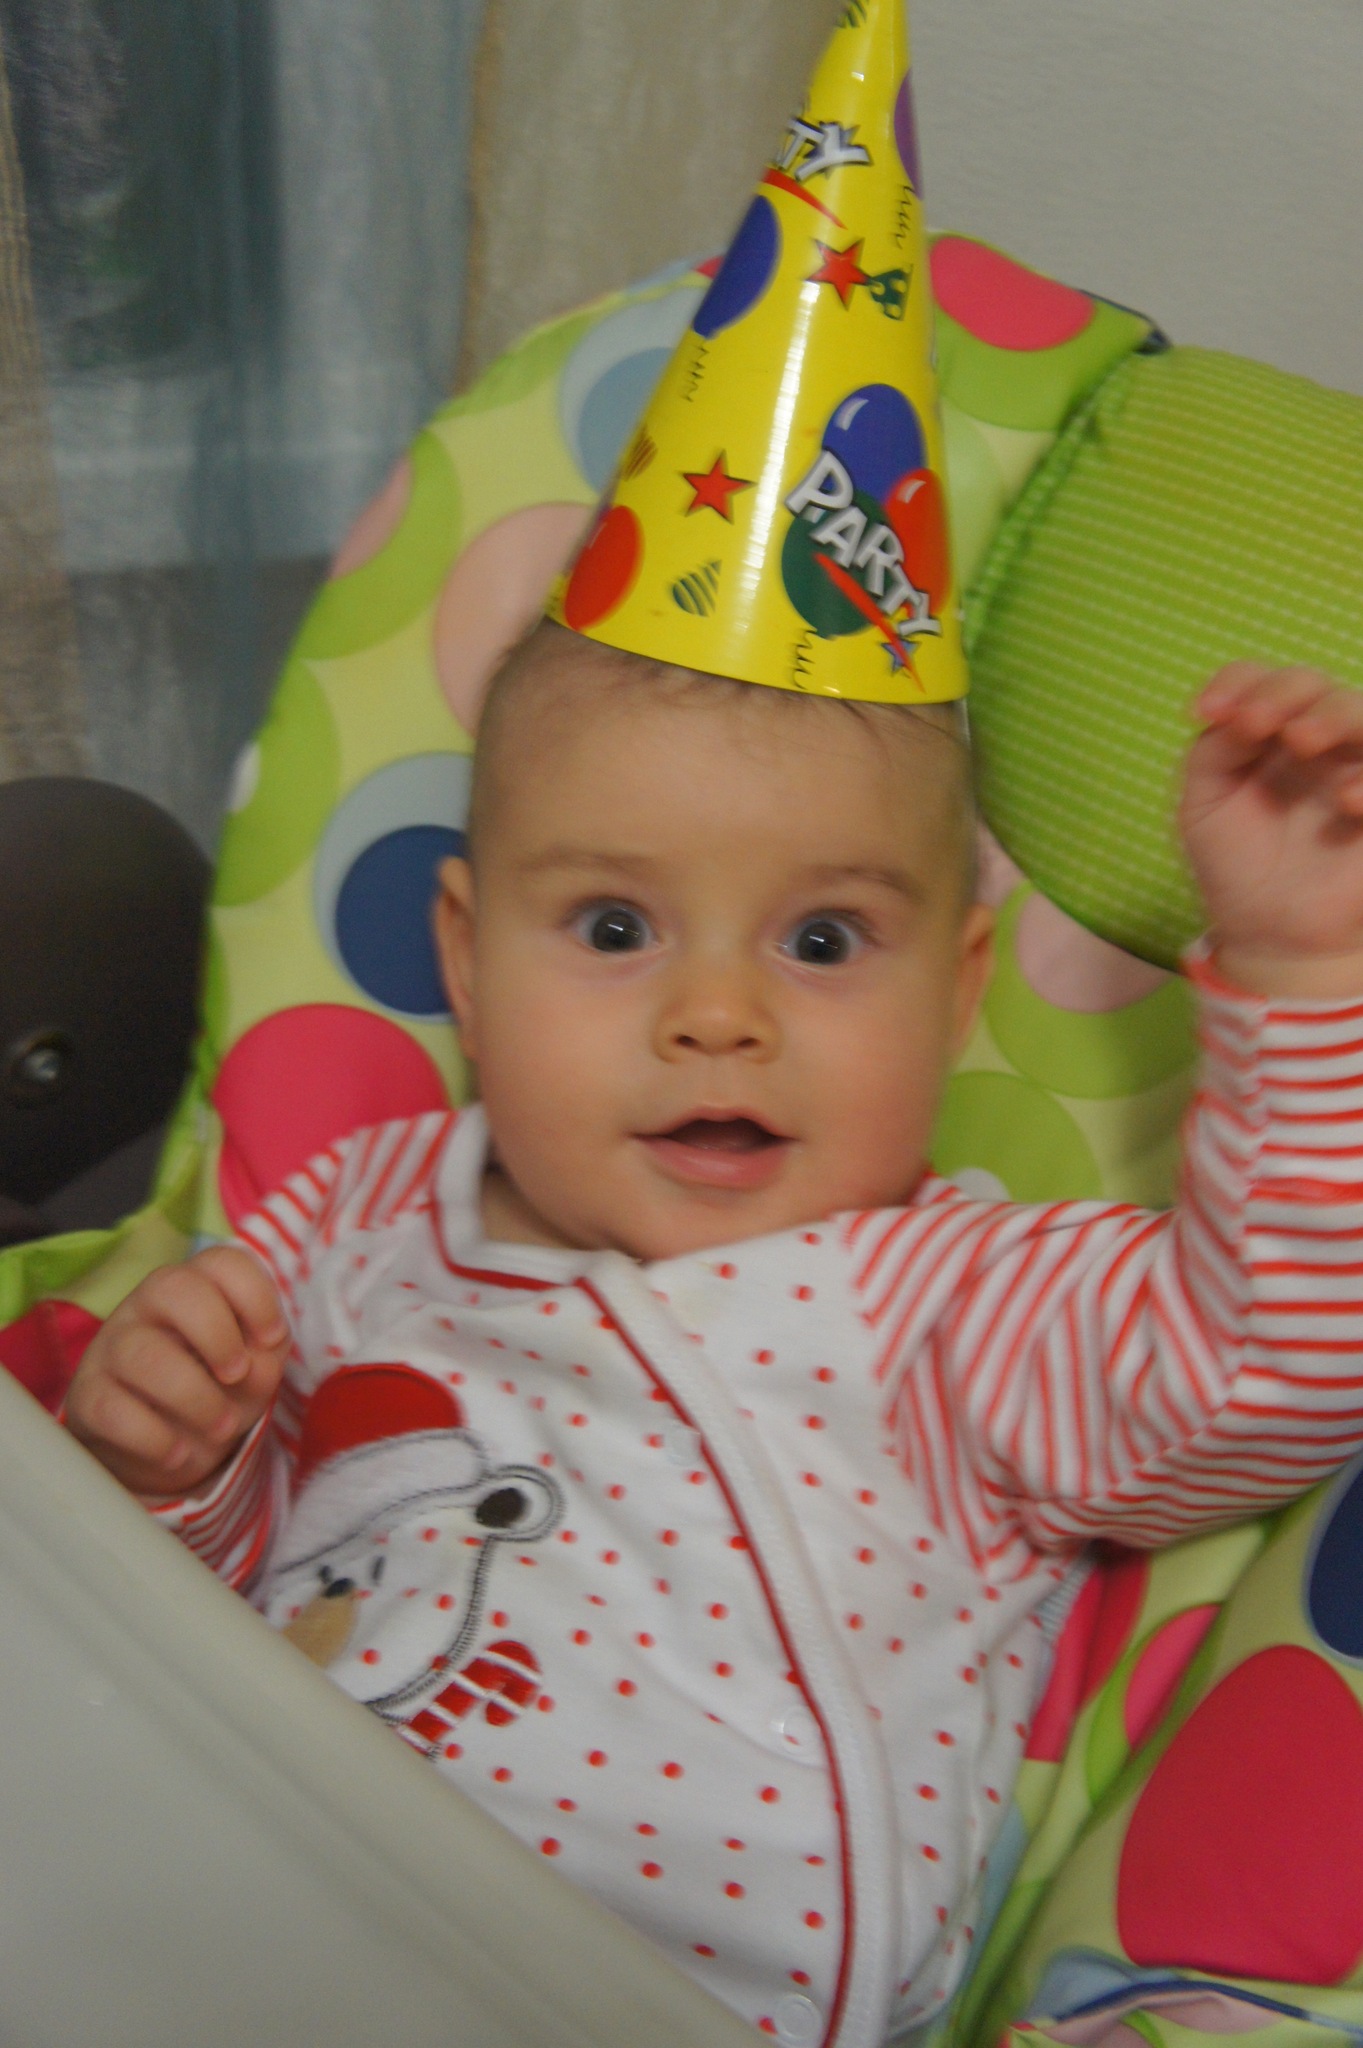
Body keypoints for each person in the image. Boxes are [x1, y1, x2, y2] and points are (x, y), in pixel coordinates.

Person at [66, 632, 1363, 2047]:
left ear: (954, 991)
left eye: (824, 942)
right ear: (467, 961)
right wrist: (175, 1469)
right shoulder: (356, 1216)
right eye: (615, 929)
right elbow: (213, 1614)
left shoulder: (945, 1306)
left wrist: (1304, 967)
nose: (718, 1018)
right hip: (222, 1896)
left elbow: (1268, 1357)